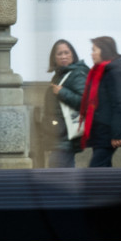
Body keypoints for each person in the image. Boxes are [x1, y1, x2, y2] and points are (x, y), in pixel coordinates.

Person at [81, 35, 121, 169]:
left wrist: (117, 134)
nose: (91, 53)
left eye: (94, 50)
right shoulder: (101, 71)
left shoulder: (114, 72)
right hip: (100, 130)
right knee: (104, 170)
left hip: (109, 132)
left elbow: (119, 103)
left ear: (104, 50)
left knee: (96, 169)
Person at [47, 38, 87, 168]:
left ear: (72, 55)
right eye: (59, 54)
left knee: (57, 171)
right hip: (59, 134)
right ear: (54, 58)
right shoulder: (59, 74)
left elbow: (84, 102)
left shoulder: (77, 74)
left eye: (66, 52)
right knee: (62, 172)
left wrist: (63, 93)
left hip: (67, 135)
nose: (63, 56)